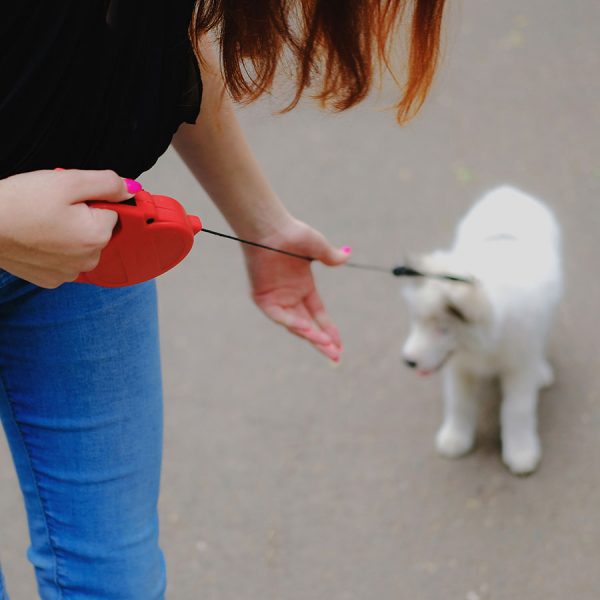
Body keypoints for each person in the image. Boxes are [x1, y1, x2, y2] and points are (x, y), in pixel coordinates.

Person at [0, 1, 446, 598]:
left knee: (117, 577)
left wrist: (260, 223)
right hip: (47, 229)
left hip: (86, 250)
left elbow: (151, 36)